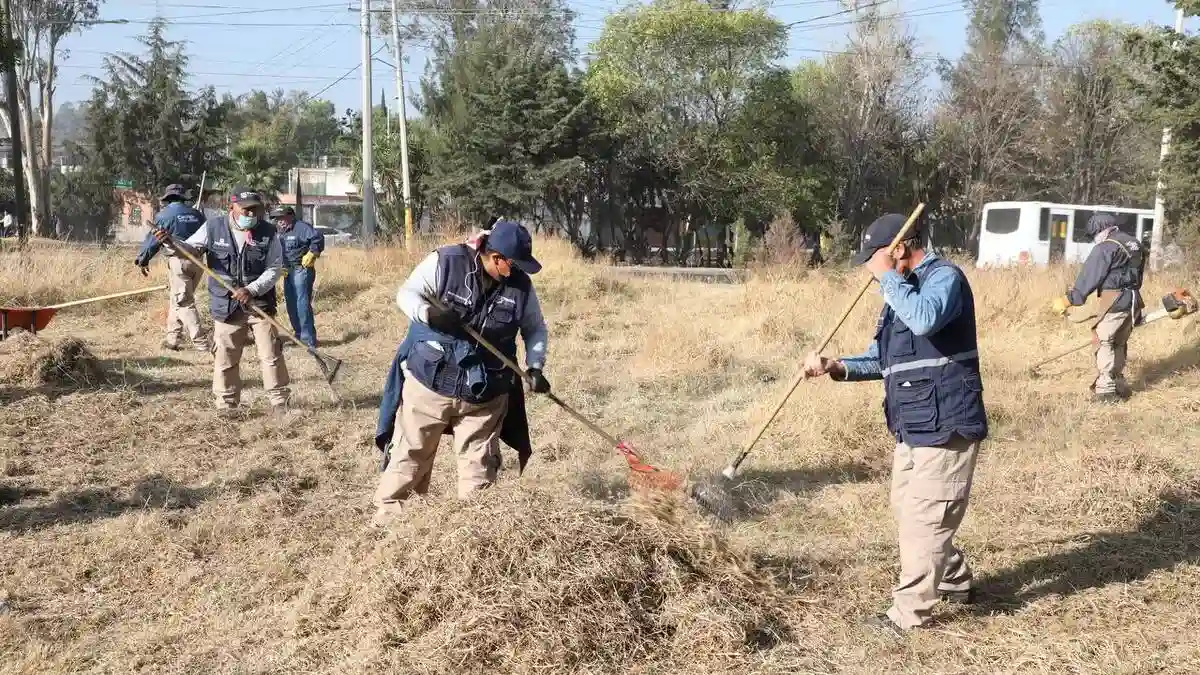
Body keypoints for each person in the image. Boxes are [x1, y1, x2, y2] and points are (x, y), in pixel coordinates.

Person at [802, 212, 988, 638]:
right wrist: (835, 365)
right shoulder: (897, 294)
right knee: (911, 514)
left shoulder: (945, 279)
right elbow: (883, 359)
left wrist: (888, 277)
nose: (870, 270)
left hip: (947, 422)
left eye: (874, 259)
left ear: (899, 250)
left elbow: (925, 319)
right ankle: (954, 578)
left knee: (926, 520)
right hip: (913, 424)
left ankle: (907, 615)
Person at [372, 219, 549, 523]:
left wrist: (535, 366)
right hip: (431, 382)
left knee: (479, 469)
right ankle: (386, 525)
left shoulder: (520, 287)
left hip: (485, 393)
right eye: (515, 264)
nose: (518, 271)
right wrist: (429, 314)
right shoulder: (446, 261)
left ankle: (472, 534)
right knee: (409, 455)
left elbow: (535, 329)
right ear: (496, 258)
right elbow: (407, 293)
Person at [155, 187, 290, 411]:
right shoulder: (213, 227)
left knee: (271, 355)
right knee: (225, 357)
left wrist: (252, 290)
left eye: (255, 209)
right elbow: (190, 250)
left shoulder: (269, 232)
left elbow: (274, 268)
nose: (251, 215)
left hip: (259, 305)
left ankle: (279, 403)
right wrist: (171, 243)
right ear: (231, 208)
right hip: (226, 306)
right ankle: (227, 405)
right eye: (245, 210)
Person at [1051, 213, 1145, 403]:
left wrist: (1070, 299)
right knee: (1118, 342)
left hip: (1115, 300)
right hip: (1133, 300)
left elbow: (1090, 276)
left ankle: (1106, 389)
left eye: (1094, 234)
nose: (1094, 238)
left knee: (1104, 341)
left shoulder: (1106, 247)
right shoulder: (1134, 243)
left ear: (1102, 229)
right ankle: (1119, 384)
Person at [136, 184, 211, 352]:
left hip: (178, 261)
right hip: (198, 262)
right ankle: (173, 339)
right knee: (176, 299)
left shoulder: (164, 215)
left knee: (184, 302)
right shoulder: (197, 214)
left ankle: (201, 343)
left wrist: (143, 259)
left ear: (167, 199)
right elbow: (208, 236)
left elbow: (153, 240)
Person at [270, 205, 325, 348]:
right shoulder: (279, 232)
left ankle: (308, 340)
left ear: (290, 216)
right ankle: (299, 336)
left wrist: (312, 253)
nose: (279, 221)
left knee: (302, 304)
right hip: (288, 271)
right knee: (291, 305)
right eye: (277, 219)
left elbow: (318, 238)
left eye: (281, 217)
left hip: (302, 270)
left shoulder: (301, 227)